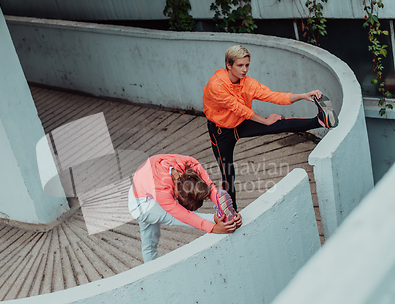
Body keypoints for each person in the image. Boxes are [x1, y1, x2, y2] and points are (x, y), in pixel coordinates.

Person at [203, 45, 338, 211]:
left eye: (247, 65)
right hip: (221, 132)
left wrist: (303, 96)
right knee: (228, 173)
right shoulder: (216, 85)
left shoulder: (248, 84)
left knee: (278, 124)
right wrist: (265, 121)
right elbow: (240, 109)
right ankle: (232, 212)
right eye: (240, 65)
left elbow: (273, 96)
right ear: (228, 65)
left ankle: (319, 121)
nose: (245, 70)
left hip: (240, 123)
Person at [128, 154, 242, 262]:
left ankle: (150, 271)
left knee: (149, 242)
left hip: (144, 187)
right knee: (167, 222)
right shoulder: (161, 190)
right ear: (176, 196)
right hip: (141, 205)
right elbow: (184, 216)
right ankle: (218, 218)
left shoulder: (191, 164)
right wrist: (214, 228)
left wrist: (224, 207)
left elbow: (210, 189)